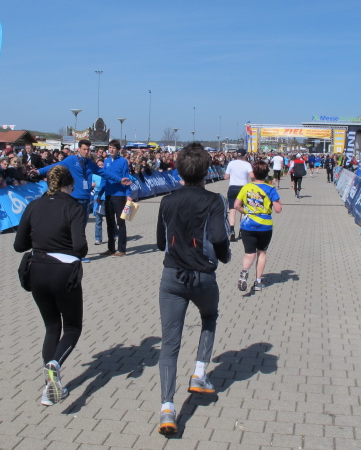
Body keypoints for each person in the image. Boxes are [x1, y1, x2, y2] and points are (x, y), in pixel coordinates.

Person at [155, 143, 231, 436]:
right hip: (203, 276)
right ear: (207, 171)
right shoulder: (215, 200)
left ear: (179, 171)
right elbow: (219, 237)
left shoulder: (166, 200)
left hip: (172, 277)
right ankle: (199, 373)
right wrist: (224, 256)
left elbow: (160, 242)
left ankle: (167, 408)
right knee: (209, 317)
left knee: (170, 342)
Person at [13, 165, 87, 406]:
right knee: (72, 328)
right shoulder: (74, 207)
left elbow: (19, 245)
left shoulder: (34, 206)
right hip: (63, 271)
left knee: (52, 327)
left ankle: (49, 388)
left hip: (37, 270)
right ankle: (55, 363)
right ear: (69, 185)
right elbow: (80, 247)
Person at [234, 161, 282, 292]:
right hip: (264, 226)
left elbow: (236, 205)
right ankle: (258, 281)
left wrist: (246, 211)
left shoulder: (246, 187)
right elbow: (278, 209)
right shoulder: (270, 189)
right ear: (266, 174)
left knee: (249, 253)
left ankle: (245, 270)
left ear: (253, 173)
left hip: (247, 224)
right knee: (261, 252)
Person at [98, 140, 132, 257]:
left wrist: (128, 194)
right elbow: (104, 179)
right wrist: (100, 194)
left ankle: (122, 249)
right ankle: (111, 248)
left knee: (120, 223)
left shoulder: (123, 161)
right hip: (108, 195)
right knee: (109, 223)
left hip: (119, 195)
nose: (111, 150)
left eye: (113, 148)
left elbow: (126, 178)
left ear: (118, 149)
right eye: (110, 147)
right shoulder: (106, 161)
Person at [224, 148, 254, 241]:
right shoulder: (247, 164)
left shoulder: (231, 163)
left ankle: (232, 230)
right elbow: (252, 176)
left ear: (236, 155)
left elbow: (226, 177)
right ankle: (241, 230)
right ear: (245, 155)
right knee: (243, 210)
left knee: (232, 210)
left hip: (232, 187)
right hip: (243, 188)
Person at [91, 158, 106, 245]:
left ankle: (115, 235)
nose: (100, 166)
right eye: (99, 165)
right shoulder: (94, 175)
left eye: (102, 165)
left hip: (106, 198)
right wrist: (91, 185)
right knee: (98, 220)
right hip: (98, 198)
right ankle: (98, 238)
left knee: (111, 219)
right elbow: (89, 184)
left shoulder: (107, 174)